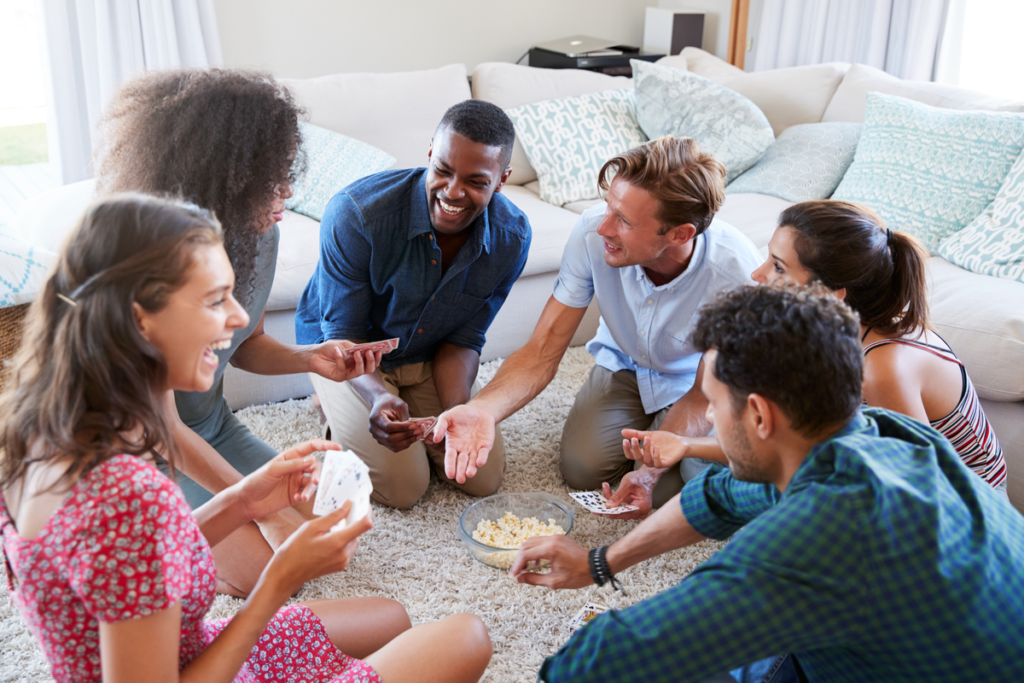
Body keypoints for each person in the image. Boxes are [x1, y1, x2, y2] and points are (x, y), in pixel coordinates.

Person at [0, 195, 492, 683]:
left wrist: (244, 500)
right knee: (467, 637)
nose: (239, 319)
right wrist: (278, 584)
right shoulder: (128, 495)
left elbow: (134, 560)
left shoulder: (39, 428)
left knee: (390, 618)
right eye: (215, 300)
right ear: (140, 319)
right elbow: (135, 537)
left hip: (181, 651)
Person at [509, 284, 1024, 683]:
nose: (707, 417)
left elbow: (604, 658)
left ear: (758, 415)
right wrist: (600, 562)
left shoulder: (812, 542)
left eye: (712, 404)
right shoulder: (885, 434)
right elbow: (717, 496)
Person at [93, 68, 383, 596]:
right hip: (148, 450)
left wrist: (310, 358)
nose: (288, 190)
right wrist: (259, 508)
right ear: (223, 176)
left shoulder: (258, 236)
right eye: (270, 175)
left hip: (213, 427)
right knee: (266, 570)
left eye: (286, 169)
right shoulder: (147, 270)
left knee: (334, 516)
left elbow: (244, 344)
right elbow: (159, 424)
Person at [433, 136, 762, 512]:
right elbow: (542, 350)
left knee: (691, 481)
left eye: (623, 220)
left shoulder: (736, 274)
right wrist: (483, 410)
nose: (603, 227)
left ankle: (670, 450)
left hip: (694, 382)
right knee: (583, 469)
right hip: (624, 364)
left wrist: (649, 472)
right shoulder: (592, 233)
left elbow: (704, 394)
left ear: (680, 234)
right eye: (609, 207)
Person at [624, 200, 1009, 501]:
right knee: (709, 473)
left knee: (742, 490)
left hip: (961, 508)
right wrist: (684, 445)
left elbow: (916, 487)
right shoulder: (825, 328)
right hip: (876, 470)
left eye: (777, 267)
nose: (757, 275)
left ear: (828, 293)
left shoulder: (883, 366)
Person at [295, 100, 531, 509]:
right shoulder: (357, 214)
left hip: (427, 351)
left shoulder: (512, 238)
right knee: (406, 489)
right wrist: (378, 397)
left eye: (476, 181)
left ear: (503, 179)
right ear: (429, 153)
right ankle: (333, 408)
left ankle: (389, 416)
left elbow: (464, 338)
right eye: (442, 170)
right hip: (347, 353)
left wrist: (461, 411)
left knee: (481, 478)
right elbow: (343, 336)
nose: (453, 192)